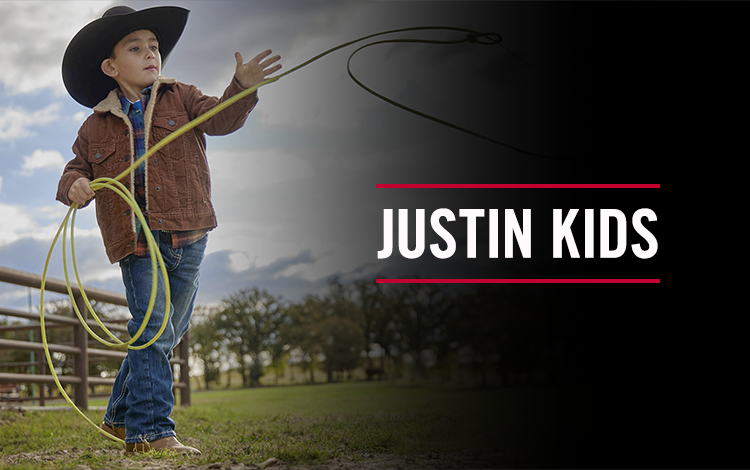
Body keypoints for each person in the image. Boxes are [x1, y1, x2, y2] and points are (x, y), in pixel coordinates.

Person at [56, 5, 280, 454]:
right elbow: (74, 170)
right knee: (152, 331)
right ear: (111, 66)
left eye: (154, 47)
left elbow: (220, 119)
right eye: (135, 48)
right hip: (136, 241)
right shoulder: (93, 125)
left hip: (189, 232)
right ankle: (152, 433)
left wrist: (242, 89)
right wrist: (74, 185)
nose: (150, 54)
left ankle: (120, 416)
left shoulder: (182, 96)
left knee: (164, 334)